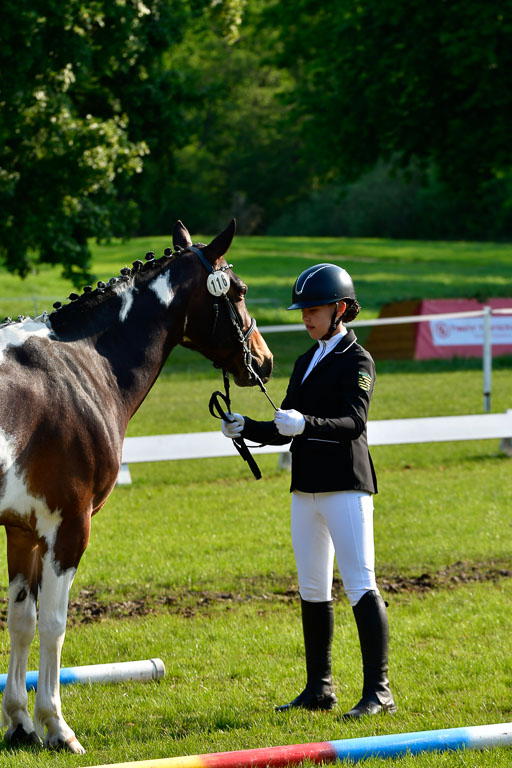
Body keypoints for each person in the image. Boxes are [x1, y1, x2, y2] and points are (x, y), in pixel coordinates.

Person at [221, 263, 396, 719]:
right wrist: (248, 427)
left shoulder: (358, 361)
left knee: (360, 584)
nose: (305, 318)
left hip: (346, 487)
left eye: (313, 310)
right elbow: (286, 428)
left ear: (340, 309)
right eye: (303, 311)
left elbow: (354, 422)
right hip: (306, 491)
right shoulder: (305, 361)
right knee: (313, 588)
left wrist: (305, 424)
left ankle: (379, 692)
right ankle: (319, 687)